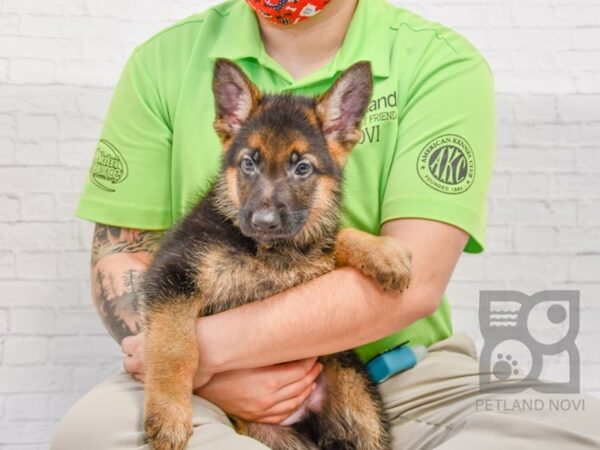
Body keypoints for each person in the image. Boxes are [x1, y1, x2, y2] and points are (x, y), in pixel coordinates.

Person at [52, 0, 600, 449]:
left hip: (399, 376)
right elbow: (121, 257)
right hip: (196, 379)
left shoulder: (440, 61)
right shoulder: (162, 60)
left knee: (573, 424)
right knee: (91, 435)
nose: (267, 203)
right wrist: (200, 373)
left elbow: (416, 280)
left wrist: (215, 352)